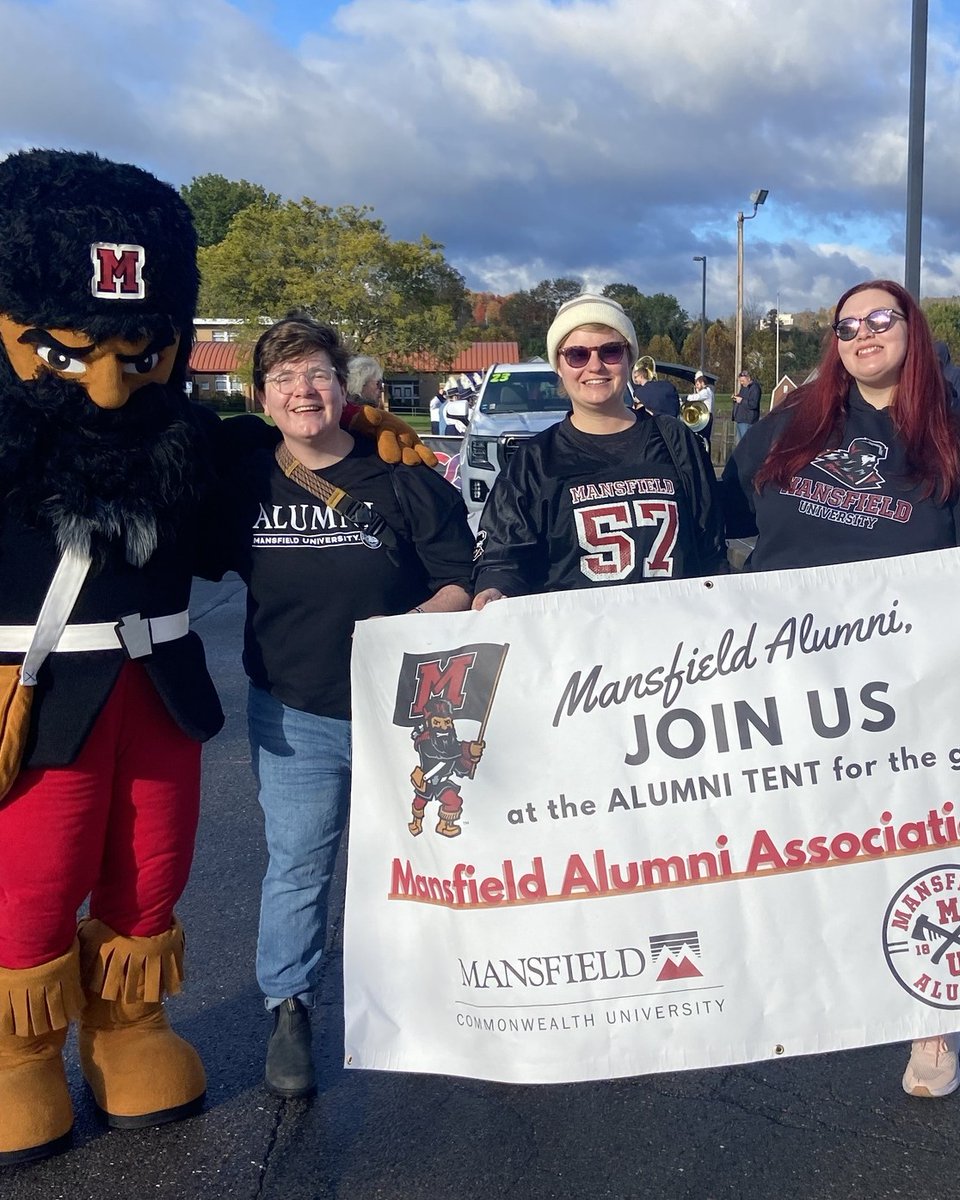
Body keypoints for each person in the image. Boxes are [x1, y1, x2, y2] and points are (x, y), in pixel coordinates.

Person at [214, 313, 474, 1100]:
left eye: (317, 375)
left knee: (442, 855)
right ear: (262, 396)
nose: (303, 391)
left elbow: (456, 576)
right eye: (285, 378)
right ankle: (288, 1006)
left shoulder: (401, 477)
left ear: (344, 388)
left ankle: (474, 994)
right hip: (294, 712)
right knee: (298, 866)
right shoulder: (245, 479)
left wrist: (422, 625)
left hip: (407, 714)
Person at [722, 279, 960, 1098]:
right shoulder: (791, 426)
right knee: (798, 840)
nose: (864, 335)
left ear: (911, 330)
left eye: (880, 320)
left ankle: (929, 1022)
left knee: (919, 845)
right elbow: (726, 529)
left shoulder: (950, 429)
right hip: (792, 680)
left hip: (912, 686)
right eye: (847, 325)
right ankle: (789, 994)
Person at [472, 294, 727, 606]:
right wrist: (494, 589)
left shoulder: (675, 440)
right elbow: (504, 560)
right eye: (577, 355)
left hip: (673, 644)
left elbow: (711, 548)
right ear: (559, 367)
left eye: (610, 351)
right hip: (580, 648)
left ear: (630, 359)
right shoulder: (535, 461)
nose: (595, 366)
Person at [685, 370, 715, 449]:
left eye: (698, 384)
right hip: (706, 416)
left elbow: (695, 398)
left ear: (702, 383)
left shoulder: (705, 392)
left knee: (703, 437)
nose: (696, 386)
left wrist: (686, 397)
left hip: (706, 417)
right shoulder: (708, 391)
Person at [732, 368, 761, 442]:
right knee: (741, 442)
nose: (741, 383)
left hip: (747, 420)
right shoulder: (743, 388)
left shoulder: (755, 388)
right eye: (740, 381)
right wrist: (736, 398)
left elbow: (753, 404)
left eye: (743, 381)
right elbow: (743, 398)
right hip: (740, 419)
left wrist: (741, 400)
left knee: (746, 442)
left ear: (748, 379)